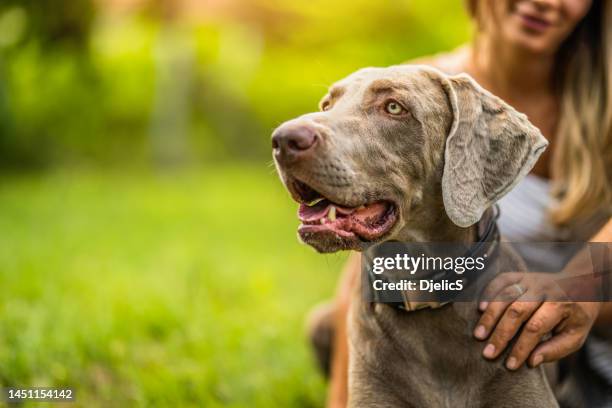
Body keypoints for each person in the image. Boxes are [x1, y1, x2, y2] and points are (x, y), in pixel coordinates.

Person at [312, 1, 612, 406]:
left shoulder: (606, 101)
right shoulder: (411, 94)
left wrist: (579, 287)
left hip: (590, 328)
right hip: (463, 324)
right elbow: (373, 269)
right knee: (326, 322)